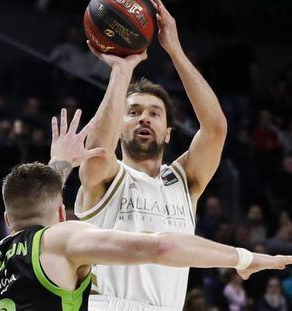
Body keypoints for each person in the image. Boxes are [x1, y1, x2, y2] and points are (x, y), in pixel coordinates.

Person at [0, 109, 292, 311]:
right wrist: (245, 258)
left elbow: (34, 199)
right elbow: (162, 246)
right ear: (62, 215)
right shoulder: (61, 238)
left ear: (6, 220)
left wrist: (58, 165)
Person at [74, 0, 228, 309]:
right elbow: (98, 151)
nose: (145, 118)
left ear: (169, 132)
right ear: (118, 126)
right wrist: (122, 70)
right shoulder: (106, 177)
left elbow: (215, 129)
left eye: (155, 113)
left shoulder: (185, 182)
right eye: (134, 112)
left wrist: (175, 50)